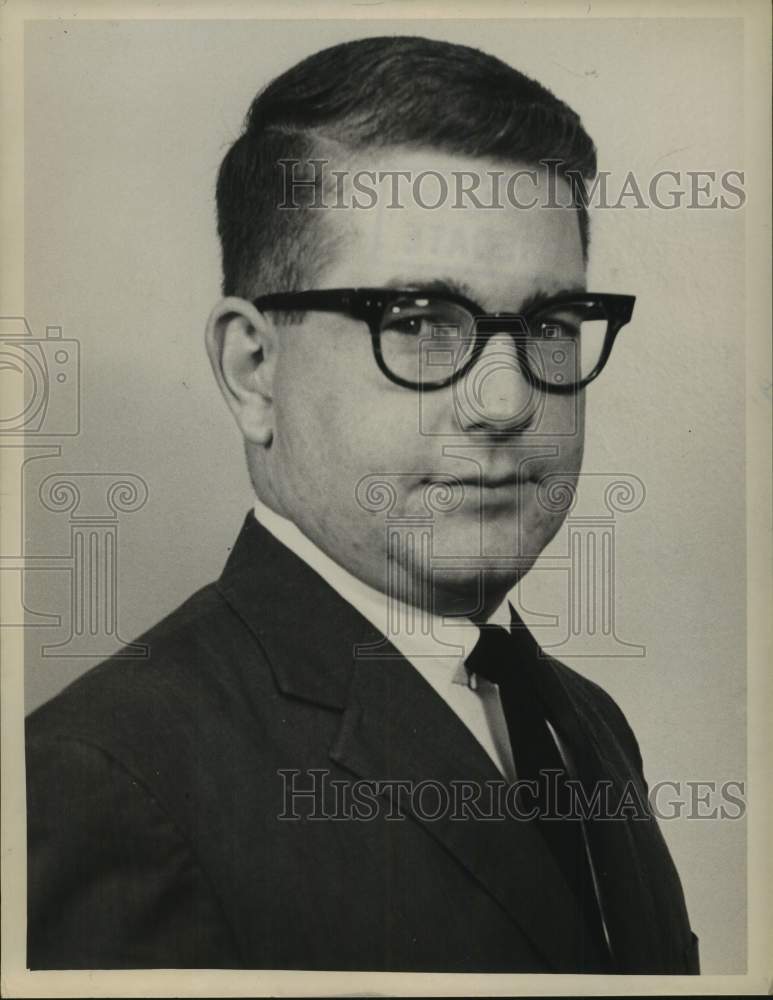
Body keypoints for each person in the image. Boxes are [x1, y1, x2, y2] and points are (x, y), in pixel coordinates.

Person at [25, 35, 699, 973]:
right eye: (418, 323)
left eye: (547, 324)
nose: (507, 402)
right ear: (252, 370)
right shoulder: (104, 779)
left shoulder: (584, 723)